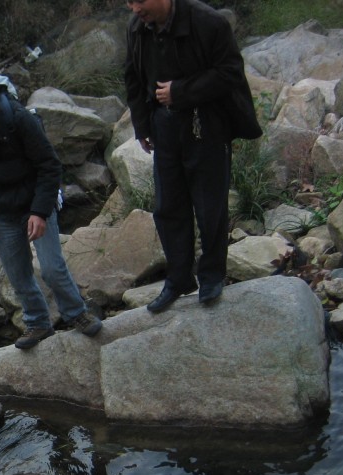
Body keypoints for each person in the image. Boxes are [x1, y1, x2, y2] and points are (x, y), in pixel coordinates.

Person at [0, 65, 102, 349]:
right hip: (1, 210)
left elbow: (50, 166)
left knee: (52, 268)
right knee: (17, 274)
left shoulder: (17, 119)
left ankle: (77, 313)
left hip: (36, 202)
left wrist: (40, 212)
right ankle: (38, 323)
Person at [124, 0, 261, 313]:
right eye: (128, 2)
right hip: (164, 126)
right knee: (168, 207)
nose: (134, 9)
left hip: (207, 124)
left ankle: (212, 274)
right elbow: (132, 76)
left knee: (209, 205)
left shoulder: (208, 22)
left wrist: (181, 91)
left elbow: (230, 73)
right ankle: (179, 278)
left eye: (139, 1)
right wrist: (142, 125)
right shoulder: (137, 28)